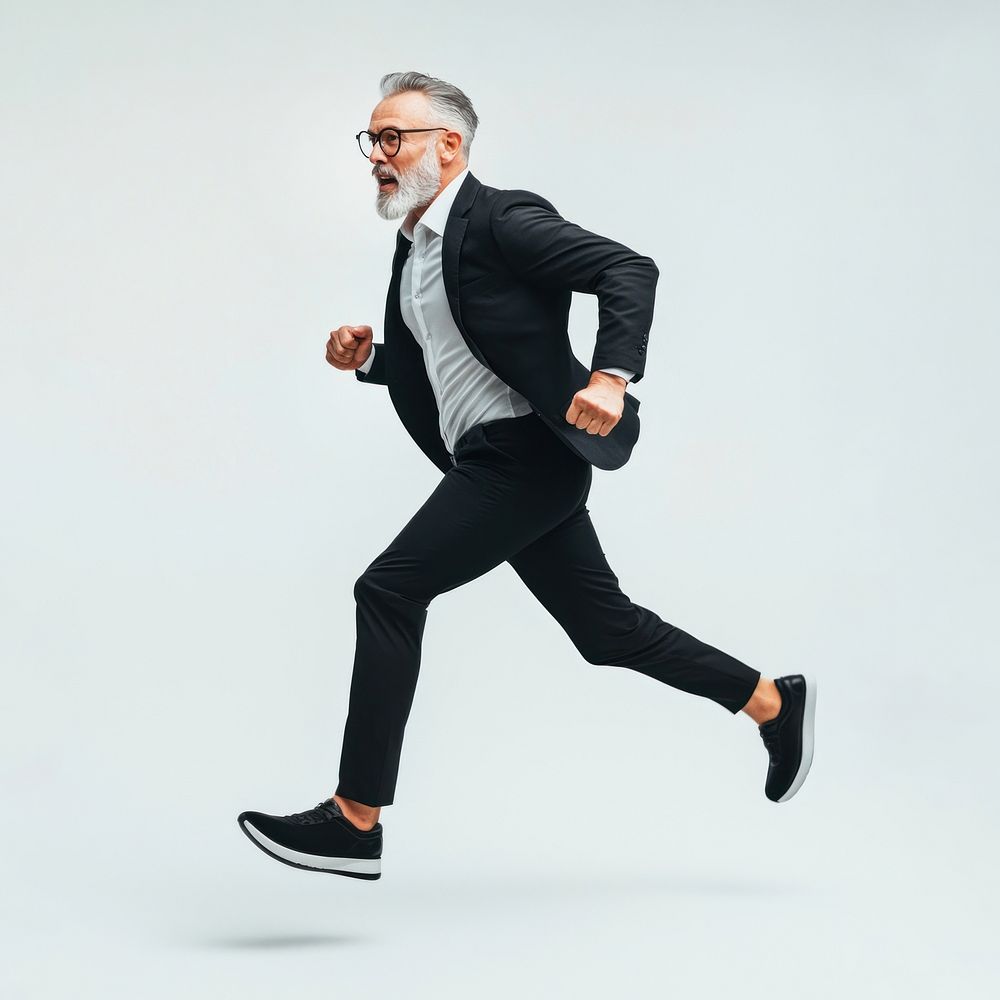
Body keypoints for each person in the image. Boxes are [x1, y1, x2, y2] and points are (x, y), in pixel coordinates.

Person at [237, 71, 816, 880]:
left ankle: (355, 817)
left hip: (525, 456)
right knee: (605, 632)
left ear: (449, 145)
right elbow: (431, 359)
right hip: (493, 459)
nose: (378, 153)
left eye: (392, 136)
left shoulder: (502, 217)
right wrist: (364, 357)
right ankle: (771, 701)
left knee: (389, 589)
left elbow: (629, 269)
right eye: (371, 139)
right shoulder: (413, 246)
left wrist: (610, 377)